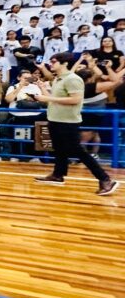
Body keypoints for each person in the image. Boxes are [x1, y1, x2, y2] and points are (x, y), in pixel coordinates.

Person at [34, 52, 119, 195]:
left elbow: (76, 99)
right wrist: (42, 89)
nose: (50, 64)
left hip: (68, 121)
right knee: (59, 149)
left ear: (64, 63)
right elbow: (52, 98)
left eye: (54, 61)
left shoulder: (73, 79)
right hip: (55, 119)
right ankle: (58, 174)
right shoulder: (58, 79)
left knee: (79, 151)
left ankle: (105, 179)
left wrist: (48, 98)